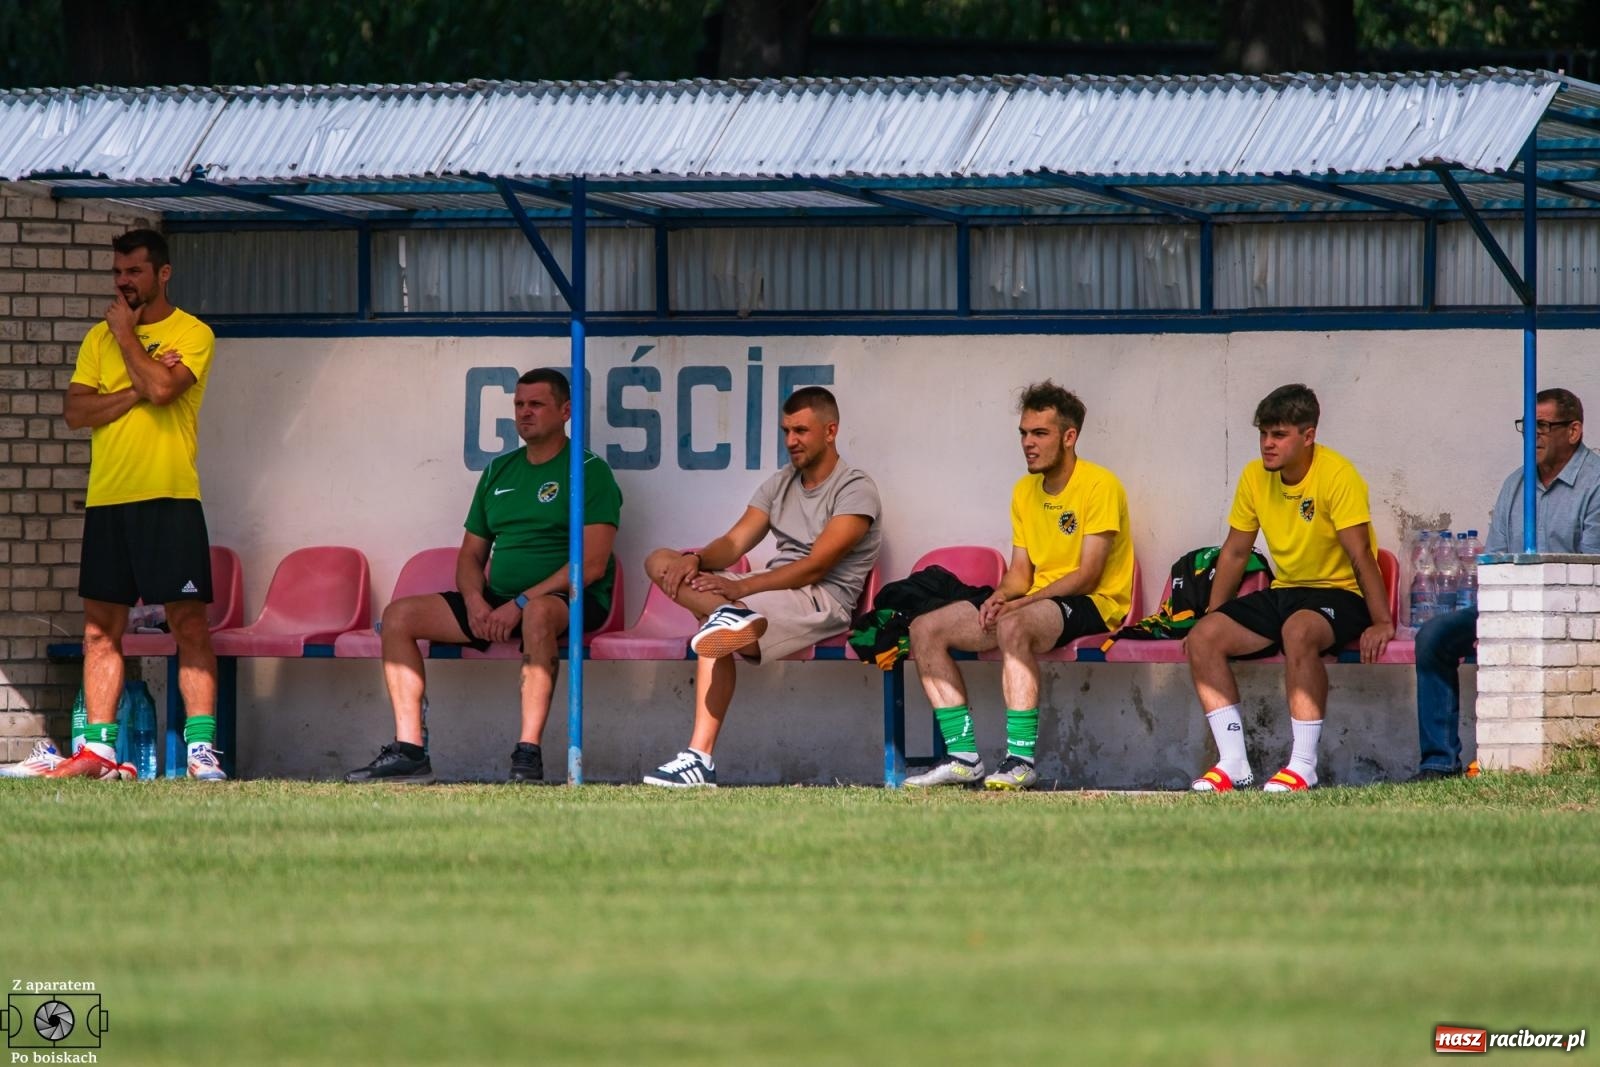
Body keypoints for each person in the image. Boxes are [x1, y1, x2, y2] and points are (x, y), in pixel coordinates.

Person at [345, 368, 622, 784]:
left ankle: (527, 754)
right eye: (518, 405)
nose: (524, 413)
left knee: (539, 616)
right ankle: (410, 751)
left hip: (569, 601)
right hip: (499, 600)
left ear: (565, 411)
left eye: (536, 404)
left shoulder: (588, 470)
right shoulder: (498, 471)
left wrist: (521, 603)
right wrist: (475, 600)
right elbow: (471, 555)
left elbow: (592, 565)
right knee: (400, 616)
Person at [48, 229, 223, 781]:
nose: (123, 282)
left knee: (188, 623)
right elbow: (77, 411)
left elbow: (168, 391)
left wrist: (128, 341)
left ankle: (200, 751)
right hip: (109, 499)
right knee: (99, 630)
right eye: (118, 273)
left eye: (135, 272)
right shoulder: (95, 339)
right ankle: (98, 750)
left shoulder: (192, 332)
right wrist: (137, 386)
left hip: (169, 496)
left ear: (162, 274)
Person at [640, 386, 881, 787]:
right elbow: (735, 542)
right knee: (659, 560)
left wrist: (742, 588)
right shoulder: (781, 482)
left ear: (831, 430)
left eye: (801, 430)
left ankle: (699, 759)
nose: (791, 441)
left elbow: (814, 568)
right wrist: (694, 560)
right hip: (766, 593)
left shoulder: (856, 488)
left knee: (716, 631)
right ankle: (725, 615)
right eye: (786, 431)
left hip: (820, 600)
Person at [902, 381, 1135, 790]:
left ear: (1069, 437)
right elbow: (1020, 571)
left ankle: (1020, 761)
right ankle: (963, 757)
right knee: (925, 628)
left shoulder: (1101, 485)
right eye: (1024, 434)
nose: (1028, 443)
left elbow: (1088, 574)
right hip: (1036, 601)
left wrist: (1021, 605)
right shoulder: (1023, 491)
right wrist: (1001, 596)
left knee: (1013, 626)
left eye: (1040, 434)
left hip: (1093, 602)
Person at [1185, 383, 1394, 793]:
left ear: (1308, 435)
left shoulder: (1337, 475)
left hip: (1341, 593)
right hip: (1287, 590)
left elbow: (1361, 557)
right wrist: (1213, 614)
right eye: (1263, 434)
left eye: (1278, 435)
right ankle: (1233, 765)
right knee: (1203, 638)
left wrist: (1382, 620)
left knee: (1298, 630)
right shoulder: (1253, 476)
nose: (1267, 444)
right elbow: (1233, 554)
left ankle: (1303, 766)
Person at [1411, 388, 1600, 781]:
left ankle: (1537, 754)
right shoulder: (1516, 484)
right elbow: (1494, 560)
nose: (1535, 436)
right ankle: (1439, 762)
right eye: (1528, 427)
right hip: (1511, 609)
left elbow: (1591, 570)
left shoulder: (1595, 484)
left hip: (1575, 613)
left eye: (1545, 426)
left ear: (1574, 430)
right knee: (1433, 636)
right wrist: (1501, 615)